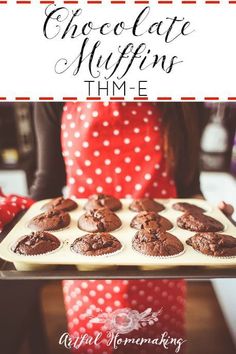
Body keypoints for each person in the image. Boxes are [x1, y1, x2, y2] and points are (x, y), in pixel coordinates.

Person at [30, 102, 233, 354]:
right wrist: (21, 219)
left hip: (161, 262)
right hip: (87, 262)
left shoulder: (180, 101)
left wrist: (209, 218)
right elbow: (47, 183)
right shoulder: (56, 93)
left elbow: (188, 186)